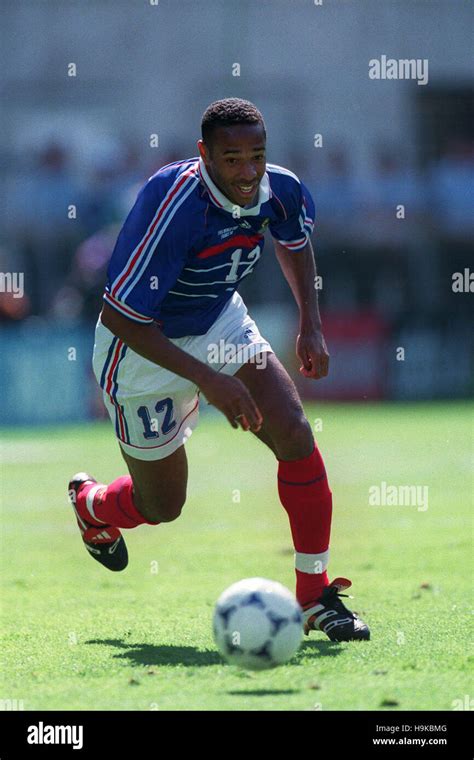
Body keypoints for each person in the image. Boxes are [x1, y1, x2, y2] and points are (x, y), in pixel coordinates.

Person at [68, 98, 369, 641]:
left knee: (296, 434)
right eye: (232, 159)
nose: (248, 172)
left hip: (219, 325)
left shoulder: (282, 188)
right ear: (205, 154)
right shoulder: (174, 204)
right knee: (163, 505)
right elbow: (121, 315)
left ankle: (314, 596)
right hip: (140, 350)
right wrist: (208, 380)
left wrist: (311, 324)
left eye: (257, 155)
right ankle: (93, 506)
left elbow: (295, 243)